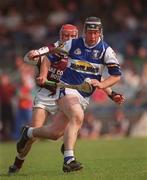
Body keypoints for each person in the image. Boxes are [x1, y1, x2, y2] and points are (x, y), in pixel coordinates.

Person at [11, 17, 123, 173]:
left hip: (81, 96)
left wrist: (110, 92)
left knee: (54, 133)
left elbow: (104, 76)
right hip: (58, 91)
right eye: (89, 32)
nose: (92, 36)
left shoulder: (105, 50)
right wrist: (37, 58)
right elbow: (44, 55)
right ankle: (64, 159)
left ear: (100, 33)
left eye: (95, 33)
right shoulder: (68, 46)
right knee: (77, 116)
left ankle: (28, 132)